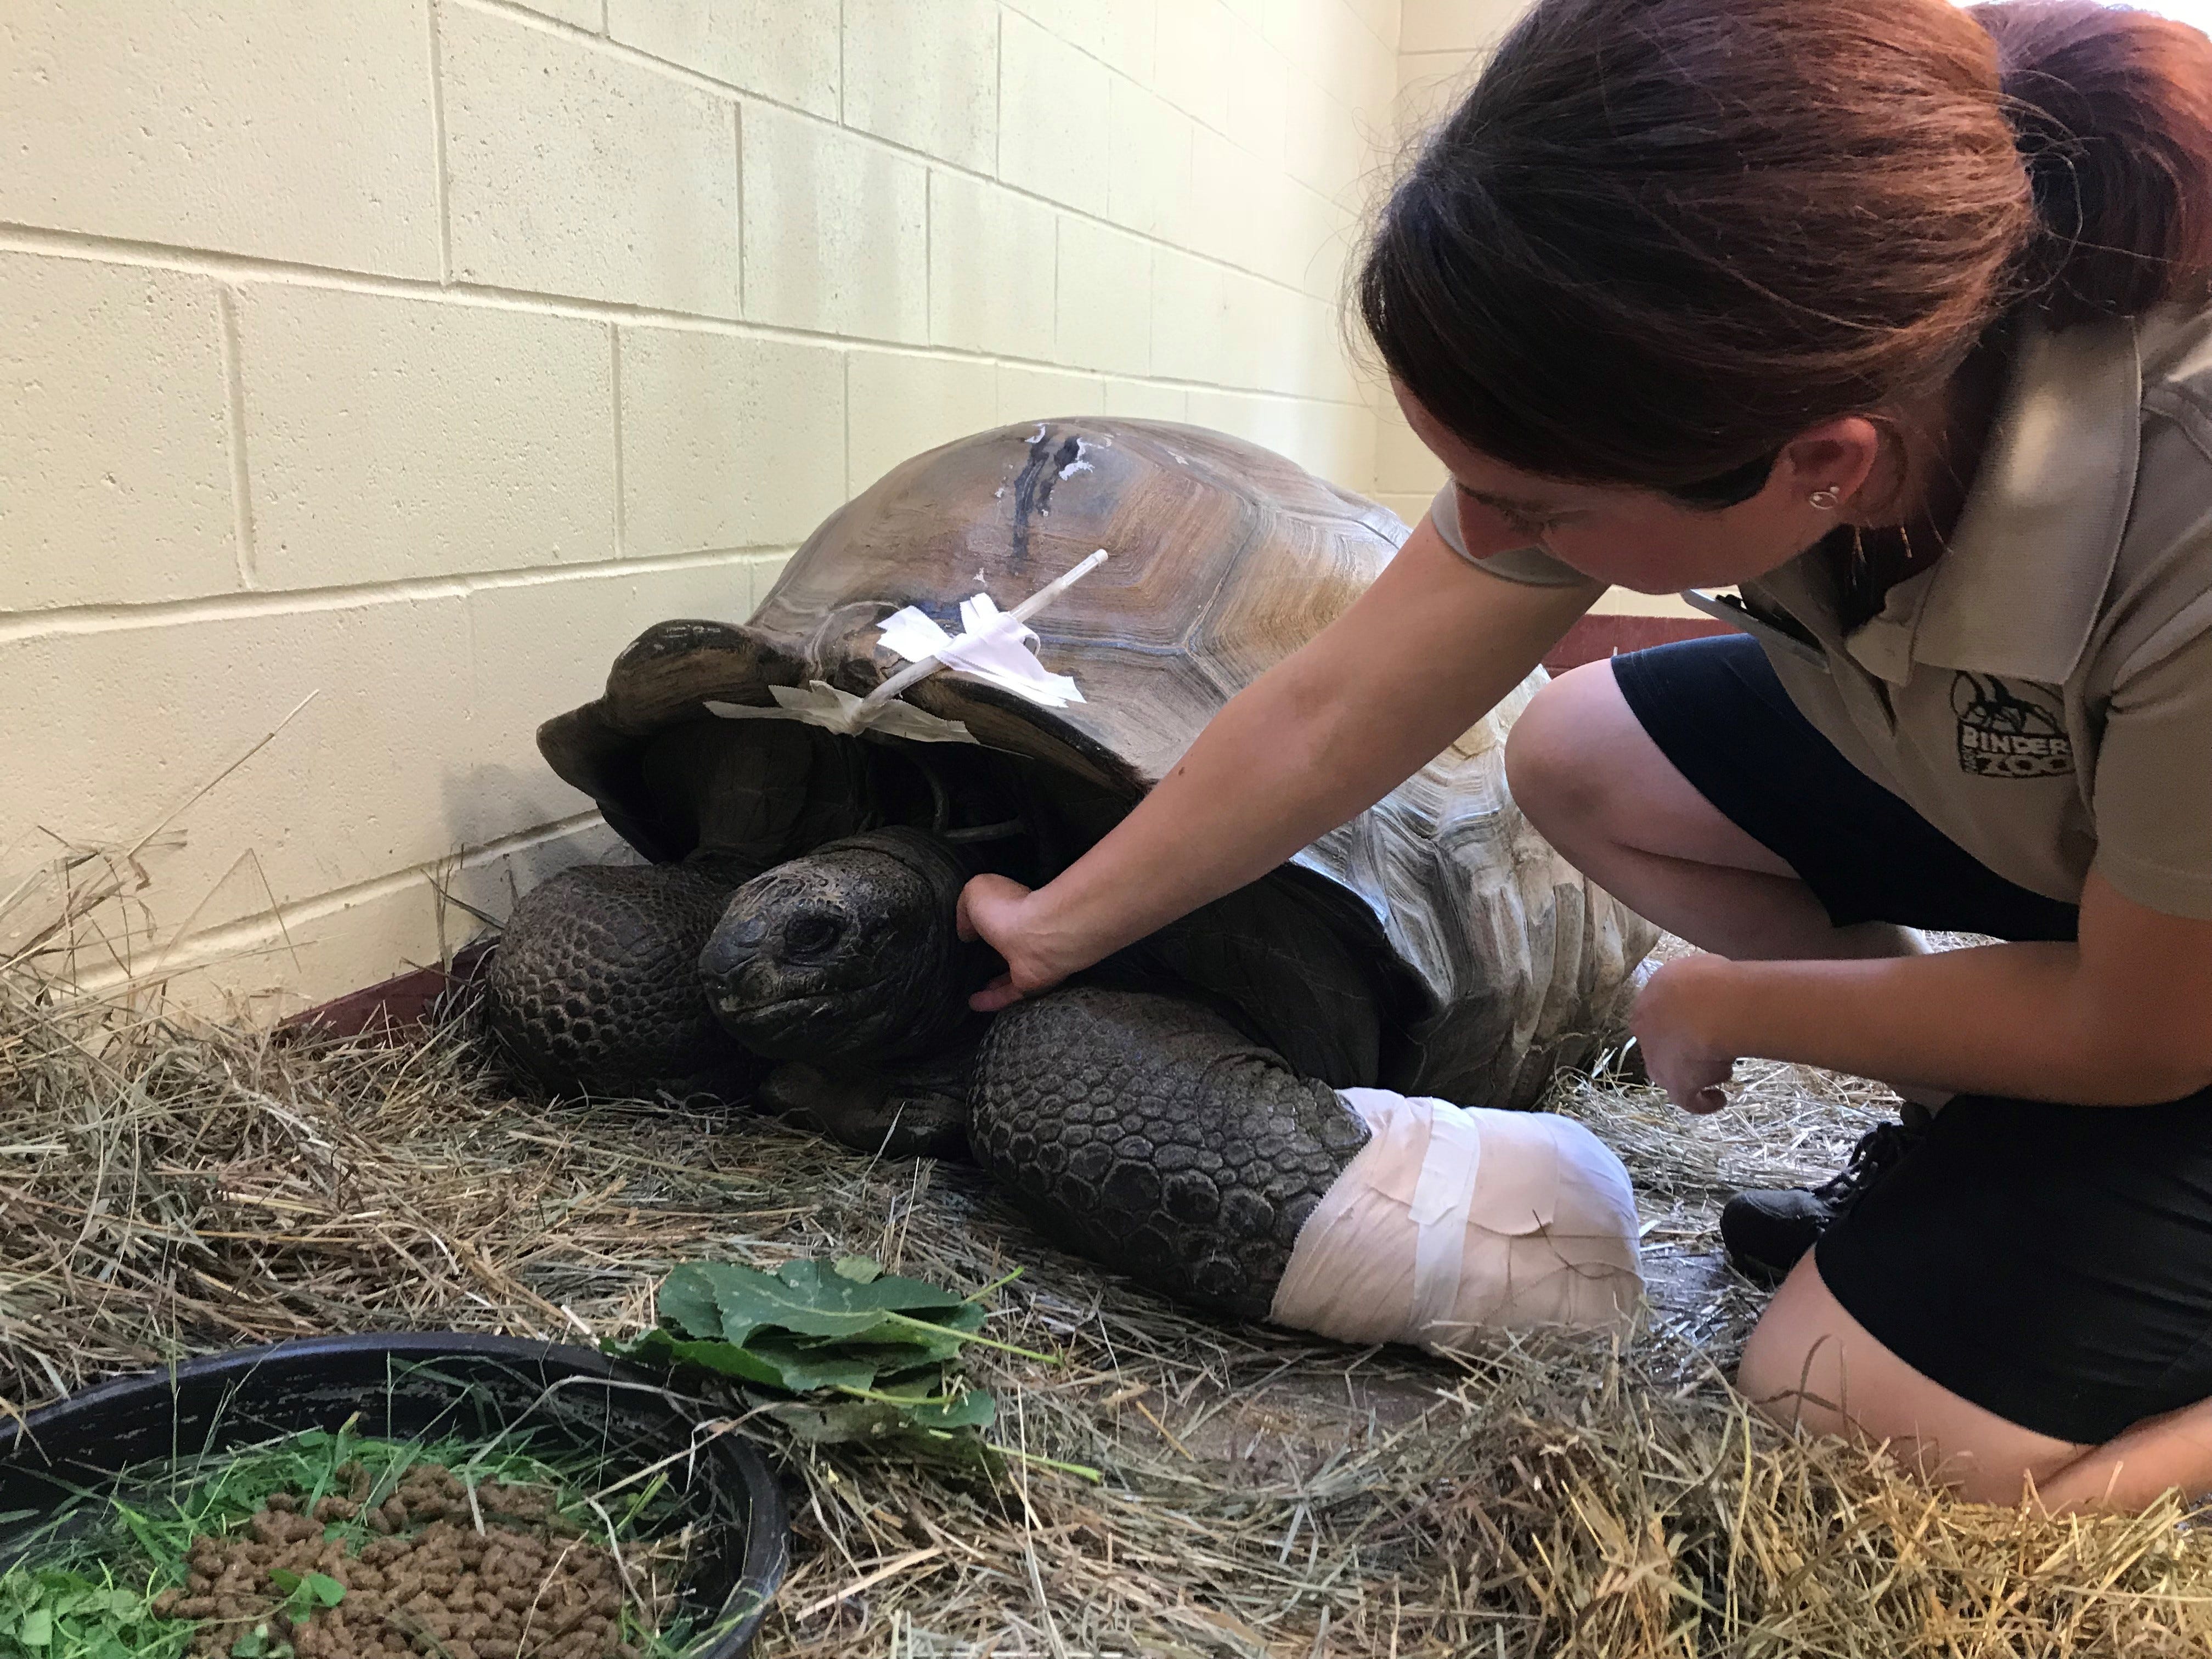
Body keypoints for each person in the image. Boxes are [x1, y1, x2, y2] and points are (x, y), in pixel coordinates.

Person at [956, 0, 2212, 1510]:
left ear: (1825, 462)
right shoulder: (1775, 341)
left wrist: (1730, 998)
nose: (1483, 543)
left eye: (1537, 509)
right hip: (2115, 843)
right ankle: (1977, 1123)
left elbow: (2148, 1028)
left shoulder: (2188, 505)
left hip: (2171, 977)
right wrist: (1056, 922)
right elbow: (1335, 702)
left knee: (1849, 1418)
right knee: (1580, 751)